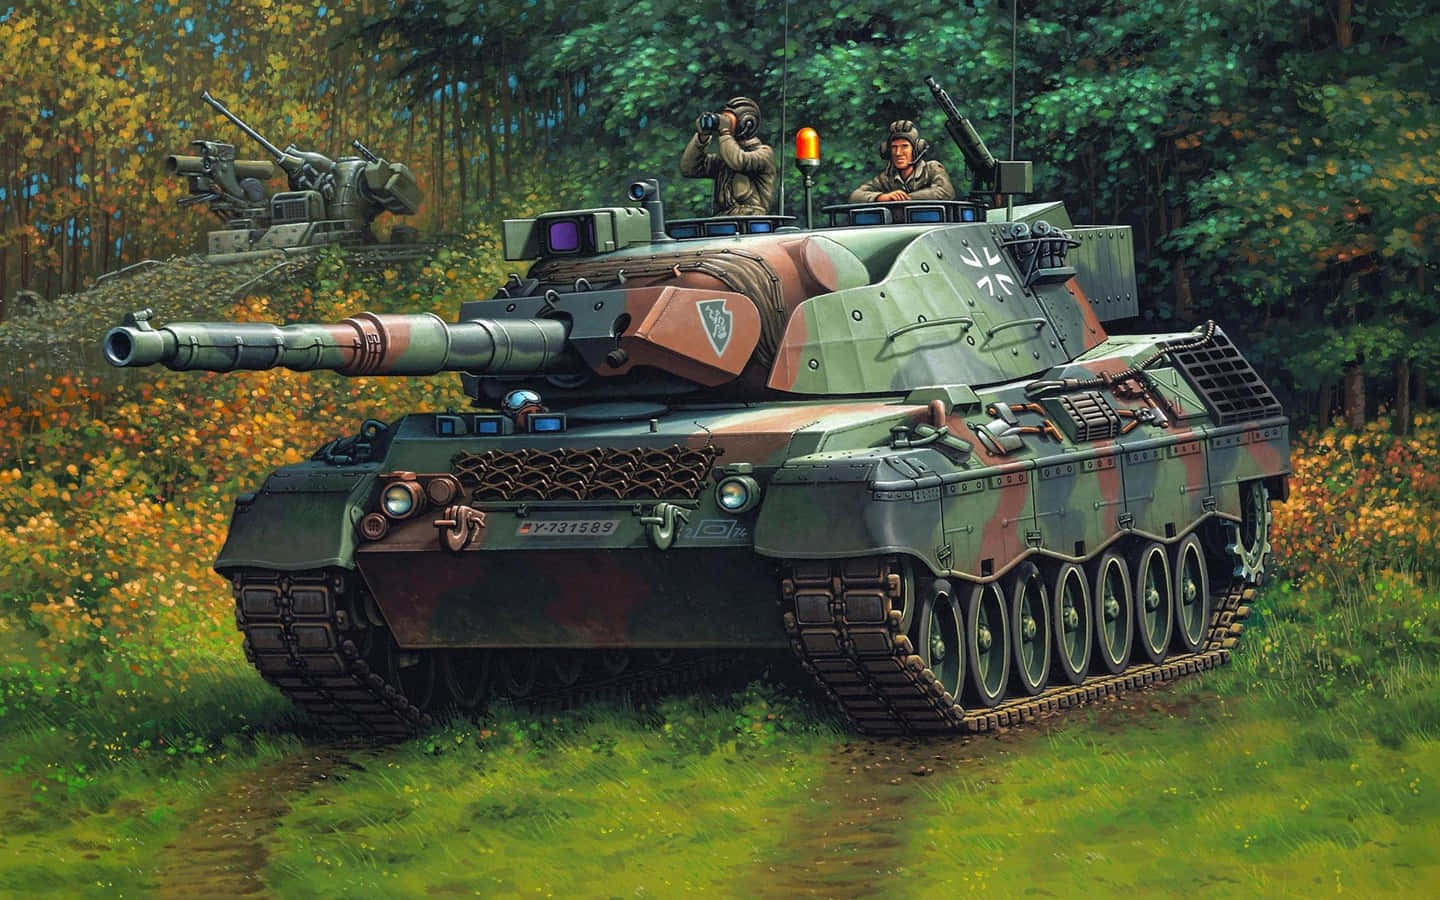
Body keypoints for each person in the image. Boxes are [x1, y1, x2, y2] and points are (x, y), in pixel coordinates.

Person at [679, 96, 777, 216]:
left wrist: (725, 132)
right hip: (724, 219)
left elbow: (739, 162)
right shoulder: (724, 158)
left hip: (751, 219)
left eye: (729, 120)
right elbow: (689, 169)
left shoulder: (764, 154)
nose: (725, 122)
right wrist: (702, 137)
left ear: (746, 123)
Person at [849, 120, 955, 203]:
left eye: (904, 146)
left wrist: (904, 198)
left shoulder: (931, 169)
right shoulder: (886, 178)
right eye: (894, 147)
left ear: (917, 149)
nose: (898, 153)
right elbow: (855, 196)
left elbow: (946, 192)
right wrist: (882, 197)